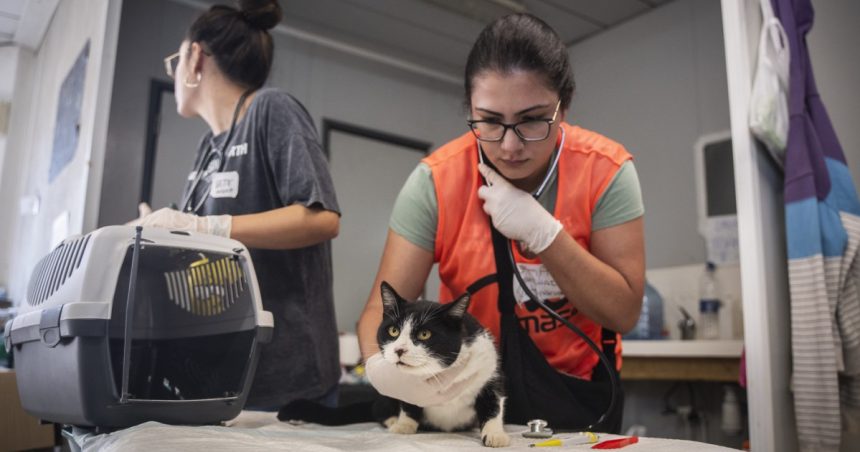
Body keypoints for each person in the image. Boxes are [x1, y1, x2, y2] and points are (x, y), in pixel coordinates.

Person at [356, 13, 644, 432]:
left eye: (532, 119)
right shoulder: (435, 182)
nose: (510, 146)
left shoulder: (606, 171)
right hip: (465, 395)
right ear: (469, 109)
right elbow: (378, 311)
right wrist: (383, 371)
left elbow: (624, 313)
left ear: (563, 107)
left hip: (574, 393)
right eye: (489, 121)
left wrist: (545, 235)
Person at [133, 0, 341, 410]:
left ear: (196, 58)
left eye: (176, 60)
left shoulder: (271, 109)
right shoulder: (207, 148)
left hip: (289, 380)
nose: (172, 73)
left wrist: (209, 227)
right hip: (226, 373)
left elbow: (321, 218)